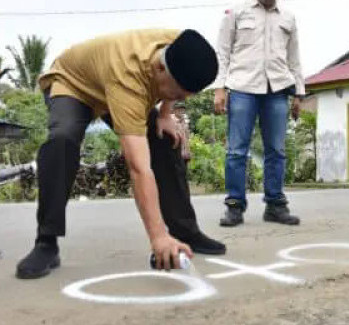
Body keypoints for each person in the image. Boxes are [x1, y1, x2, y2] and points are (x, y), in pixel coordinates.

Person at [16, 29, 225, 280]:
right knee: (63, 139)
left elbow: (176, 90)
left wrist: (165, 114)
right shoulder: (128, 79)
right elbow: (139, 167)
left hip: (112, 79)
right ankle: (46, 243)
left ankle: (185, 231)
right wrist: (157, 237)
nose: (183, 99)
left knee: (165, 138)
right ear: (160, 69)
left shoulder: (180, 44)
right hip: (74, 83)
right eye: (178, 95)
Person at [214, 0, 305, 227]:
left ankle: (275, 205)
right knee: (236, 150)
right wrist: (220, 87)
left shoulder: (288, 18)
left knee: (276, 150)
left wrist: (298, 93)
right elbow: (223, 52)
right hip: (242, 88)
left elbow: (294, 58)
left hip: (277, 90)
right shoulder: (236, 13)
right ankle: (234, 206)